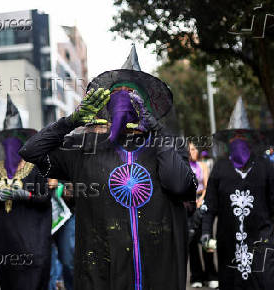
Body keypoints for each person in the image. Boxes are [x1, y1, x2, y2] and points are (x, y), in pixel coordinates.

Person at [19, 46, 197, 290]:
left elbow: (180, 185)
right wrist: (72, 121)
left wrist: (156, 130)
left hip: (158, 272)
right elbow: (31, 151)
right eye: (118, 95)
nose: (124, 101)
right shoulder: (85, 148)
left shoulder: (167, 146)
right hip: (103, 275)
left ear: (146, 105)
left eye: (132, 96)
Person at [201, 130, 274, 290]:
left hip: (261, 240)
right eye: (234, 137)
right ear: (229, 142)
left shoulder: (265, 166)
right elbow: (210, 206)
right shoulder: (220, 168)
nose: (238, 140)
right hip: (229, 244)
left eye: (242, 136)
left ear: (251, 141)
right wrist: (206, 232)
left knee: (265, 282)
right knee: (232, 284)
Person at [0, 96, 52, 290]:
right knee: (9, 281)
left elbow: (45, 197)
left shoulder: (37, 167)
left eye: (15, 141)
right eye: (7, 141)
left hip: (32, 240)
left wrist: (25, 195)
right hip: (5, 240)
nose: (10, 145)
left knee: (33, 281)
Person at [187, 143, 218, 288]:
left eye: (194, 148)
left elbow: (207, 185)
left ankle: (211, 275)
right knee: (192, 243)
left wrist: (201, 200)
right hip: (188, 206)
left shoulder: (202, 165)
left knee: (207, 241)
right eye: (190, 149)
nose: (193, 151)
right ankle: (196, 276)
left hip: (202, 204)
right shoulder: (183, 165)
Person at [50, 181, 75, 290]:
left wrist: (67, 184)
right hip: (40, 213)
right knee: (46, 266)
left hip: (66, 215)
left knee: (69, 261)